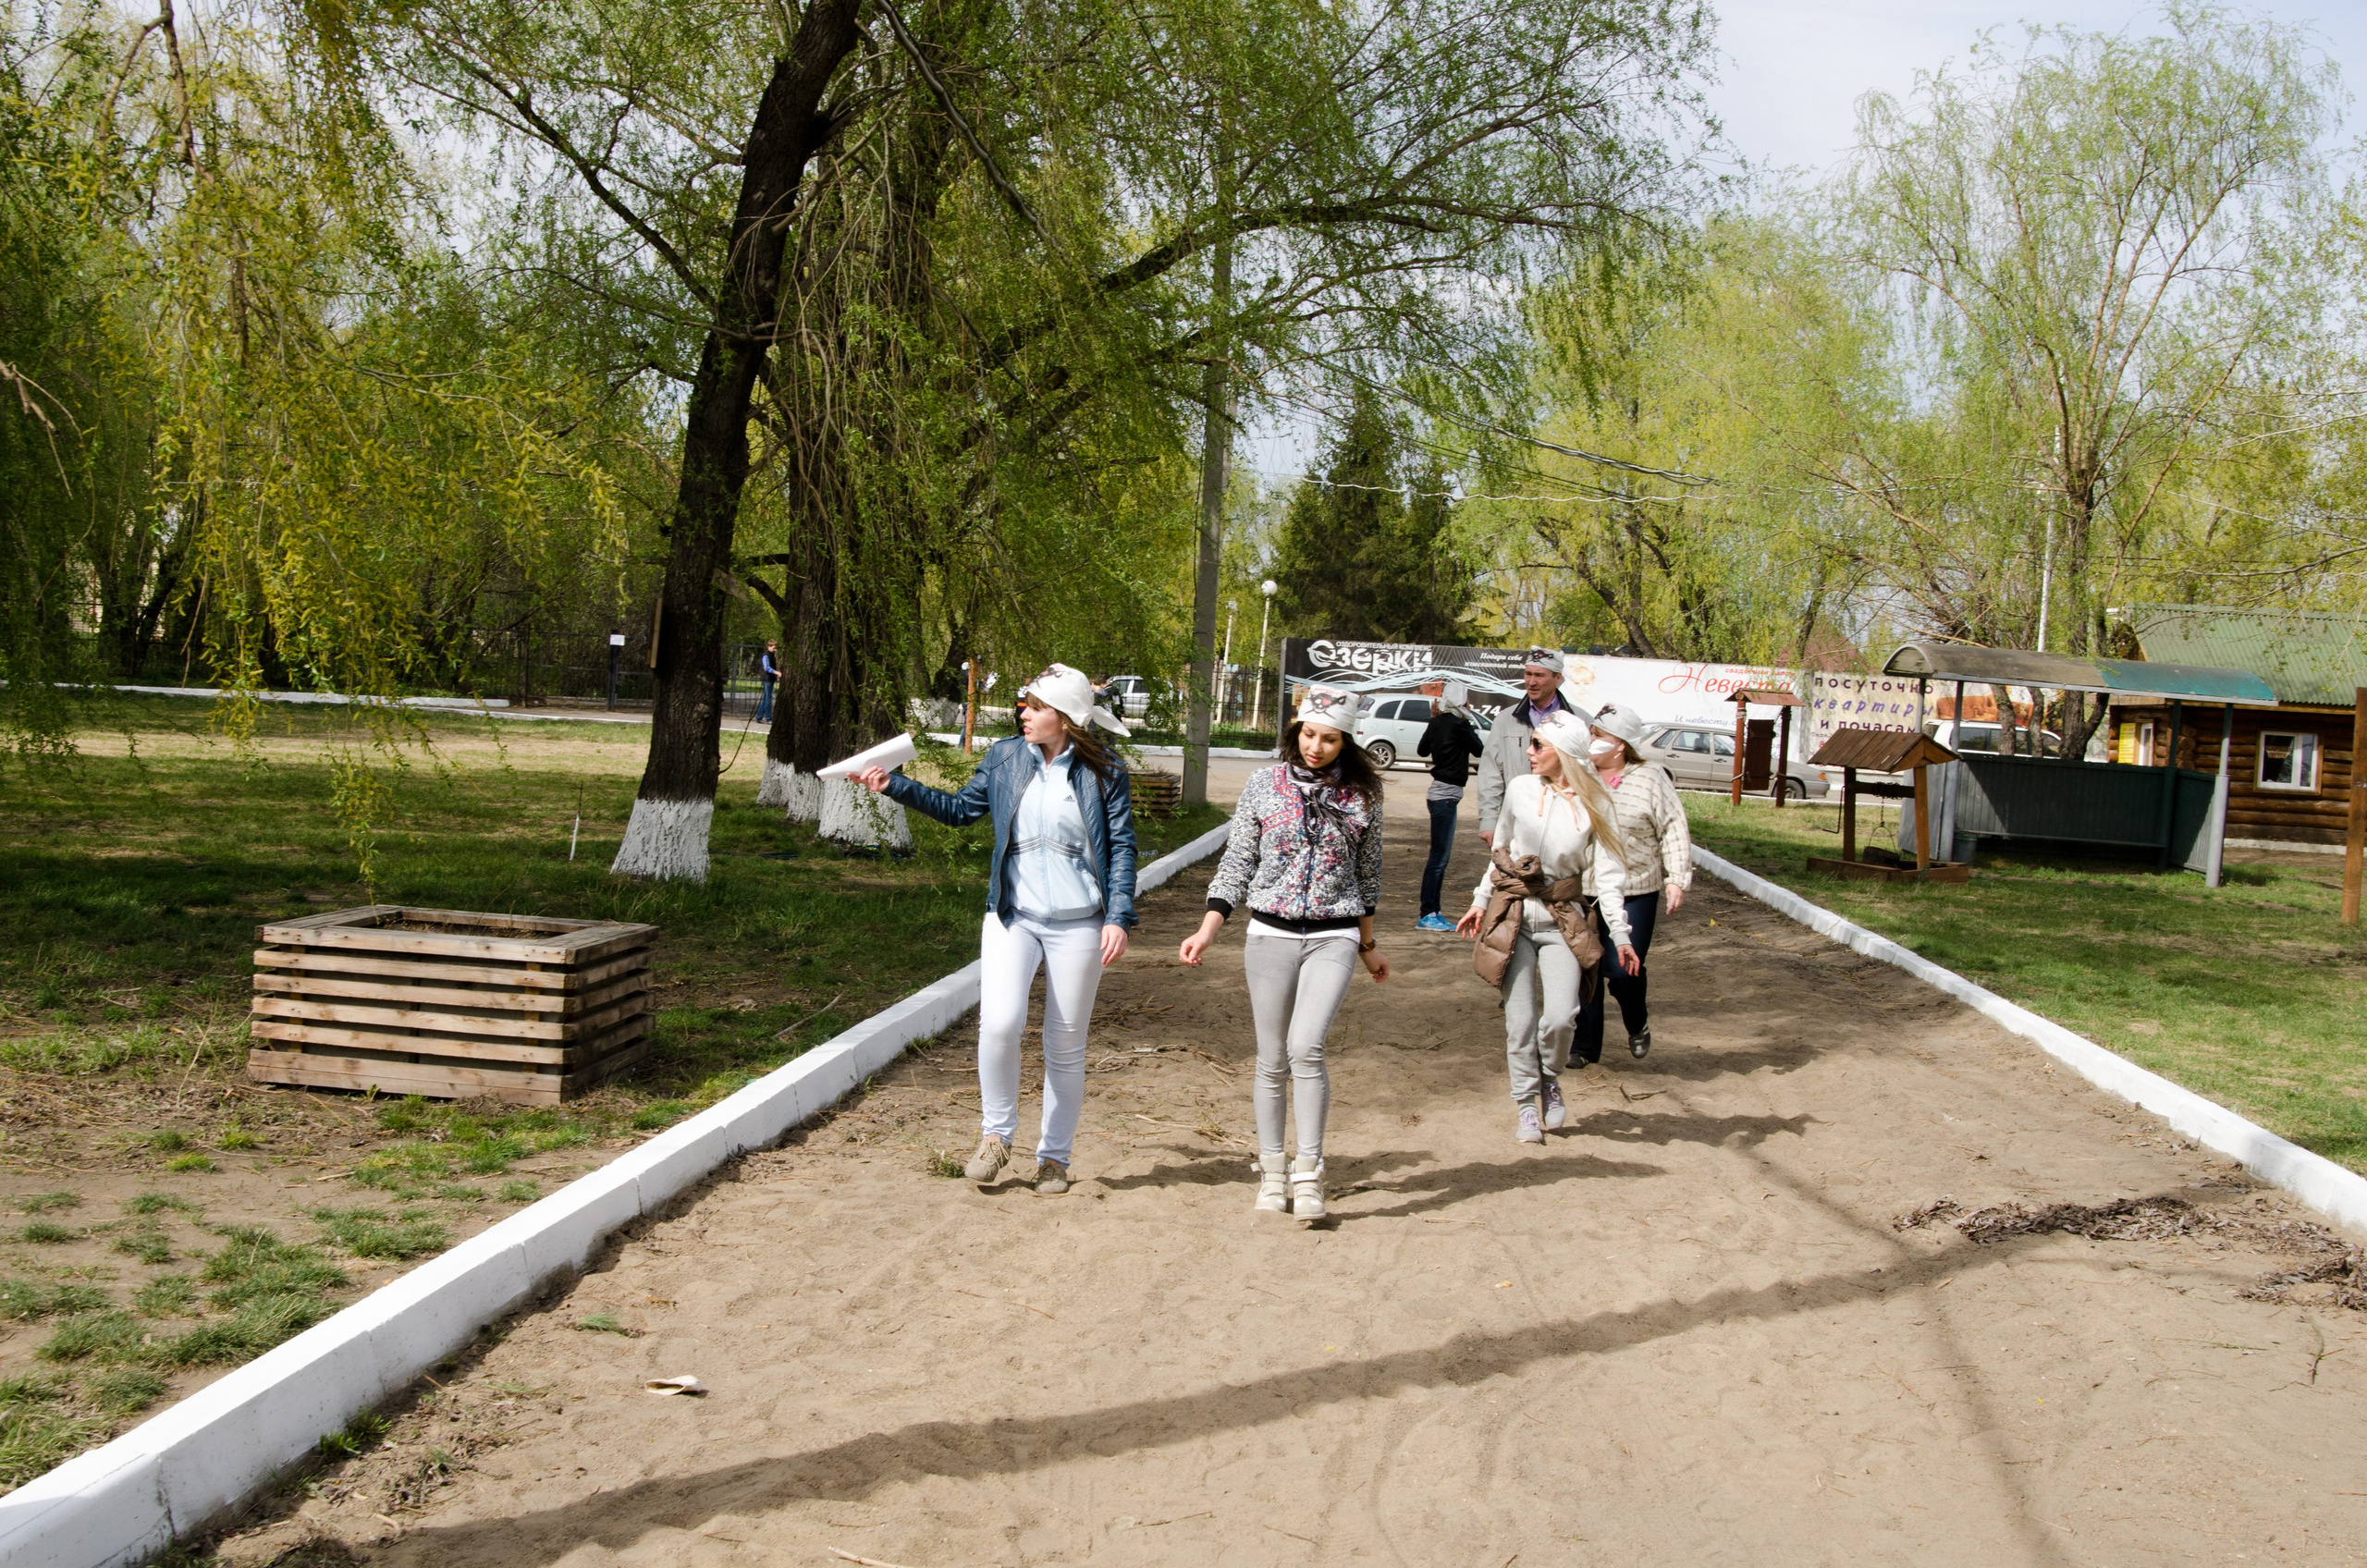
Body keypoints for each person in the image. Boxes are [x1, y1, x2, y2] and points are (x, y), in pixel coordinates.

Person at [857, 663, 1135, 1196]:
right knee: (1000, 1024)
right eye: (1024, 705)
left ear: (1066, 718)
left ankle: (1054, 1158)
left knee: (1065, 1043)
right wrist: (895, 786)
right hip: (1013, 916)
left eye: (1034, 707)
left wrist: (1119, 915)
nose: (1022, 714)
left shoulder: (1106, 771)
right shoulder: (1005, 756)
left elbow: (1122, 847)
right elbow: (961, 809)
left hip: (1081, 924)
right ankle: (995, 1136)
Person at [1178, 684, 1389, 1223]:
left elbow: (1368, 878)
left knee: (1306, 1047)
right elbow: (1238, 860)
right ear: (1297, 731)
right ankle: (1272, 1172)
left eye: (1331, 739)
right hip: (1268, 933)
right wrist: (1208, 929)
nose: (1317, 747)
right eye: (1310, 735)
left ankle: (1309, 1173)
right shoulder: (1264, 784)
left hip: (1334, 934)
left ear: (1347, 742)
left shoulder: (1364, 796)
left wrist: (1367, 946)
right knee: (1272, 1058)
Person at [1457, 710, 1639, 1144]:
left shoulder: (1597, 804)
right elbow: (1501, 852)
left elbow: (1610, 878)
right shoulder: (1520, 790)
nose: (1530, 751)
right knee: (1519, 1023)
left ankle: (1549, 1080)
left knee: (1560, 1018)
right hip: (1513, 918)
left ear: (1567, 755)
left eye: (1539, 745)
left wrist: (1622, 934)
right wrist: (1480, 902)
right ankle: (1525, 1105)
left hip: (1562, 922)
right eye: (1531, 743)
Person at [1574, 703, 1691, 1064]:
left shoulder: (1650, 776)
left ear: (1621, 743)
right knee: (1585, 967)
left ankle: (1636, 1022)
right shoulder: (1579, 774)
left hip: (1635, 888)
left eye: (1599, 736)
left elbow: (1673, 826)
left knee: (1622, 971)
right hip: (1583, 888)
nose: (1592, 741)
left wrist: (1677, 879)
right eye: (1591, 733)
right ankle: (1584, 1047)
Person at [1473, 647, 1579, 846]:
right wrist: (1488, 820)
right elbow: (1491, 772)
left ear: (1557, 678)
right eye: (1528, 674)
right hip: (1516, 824)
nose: (1531, 682)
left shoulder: (1578, 720)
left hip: (1562, 825)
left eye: (1539, 675)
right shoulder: (1506, 719)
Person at [1414, 681, 1484, 932]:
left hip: (1440, 795)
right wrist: (1467, 717)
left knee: (1439, 859)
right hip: (1444, 797)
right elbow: (1480, 749)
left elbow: (1422, 751)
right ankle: (1427, 914)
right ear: (1463, 701)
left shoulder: (1438, 723)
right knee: (1438, 859)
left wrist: (1434, 721)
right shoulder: (1459, 725)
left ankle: (1434, 911)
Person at [756, 640, 780, 723]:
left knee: (766, 698)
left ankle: (759, 717)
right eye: (774, 648)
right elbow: (767, 668)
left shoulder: (772, 656)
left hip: (770, 678)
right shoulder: (766, 656)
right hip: (767, 679)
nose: (775, 650)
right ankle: (768, 718)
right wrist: (777, 673)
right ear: (769, 646)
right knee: (768, 699)